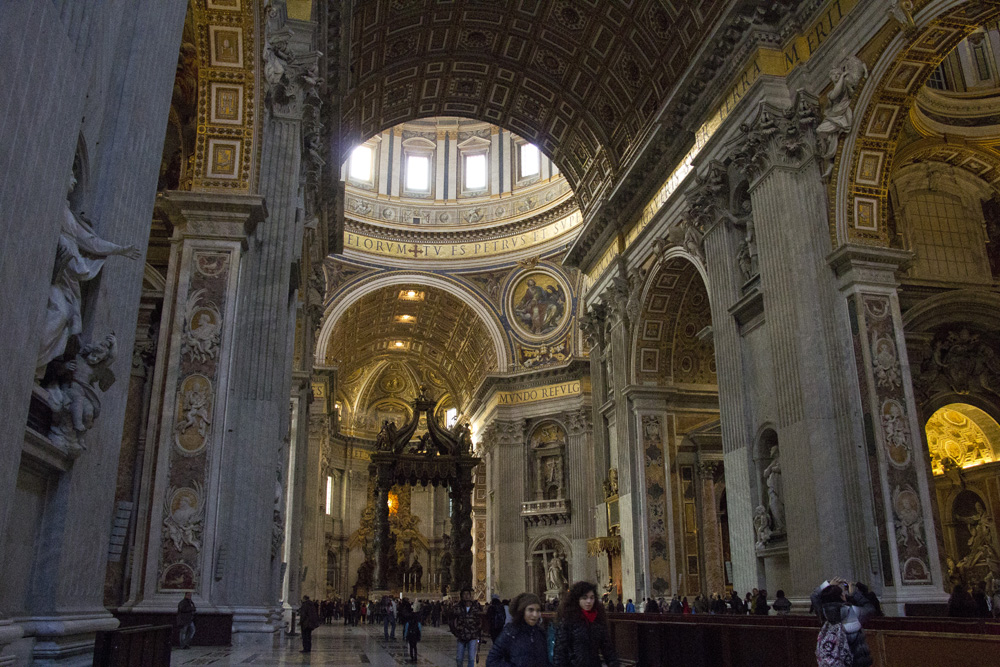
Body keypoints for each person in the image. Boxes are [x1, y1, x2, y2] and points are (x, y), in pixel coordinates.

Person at [811, 578, 875, 667]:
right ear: (841, 597)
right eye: (842, 593)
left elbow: (814, 596)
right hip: (857, 661)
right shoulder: (853, 611)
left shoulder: (823, 613)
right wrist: (854, 594)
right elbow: (870, 609)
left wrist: (827, 585)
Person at [553, 581, 618, 667]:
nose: (589, 601)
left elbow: (607, 647)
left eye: (592, 598)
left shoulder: (598, 619)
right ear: (577, 599)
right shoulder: (568, 620)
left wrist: (613, 663)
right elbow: (560, 651)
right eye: (584, 598)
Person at [486, 592, 550, 667]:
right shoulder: (510, 633)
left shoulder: (540, 633)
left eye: (538, 610)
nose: (535, 615)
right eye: (531, 610)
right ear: (522, 611)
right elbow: (492, 661)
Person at [450, 587, 482, 667]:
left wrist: (478, 630)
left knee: (471, 658)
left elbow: (480, 619)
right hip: (461, 635)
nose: (466, 596)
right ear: (461, 596)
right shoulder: (457, 607)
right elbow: (452, 620)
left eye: (468, 594)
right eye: (464, 594)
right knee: (459, 658)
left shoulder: (476, 607)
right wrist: (455, 631)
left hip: (472, 635)